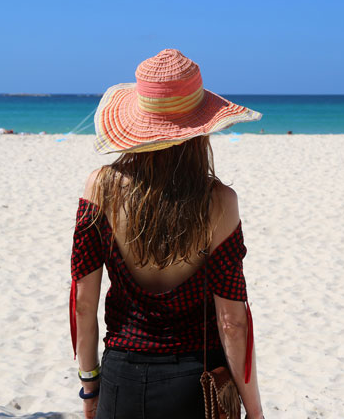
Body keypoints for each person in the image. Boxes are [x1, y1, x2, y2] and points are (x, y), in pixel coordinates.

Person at [70, 49, 264, 419]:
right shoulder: (218, 202)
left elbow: (82, 304)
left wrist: (89, 385)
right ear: (200, 130)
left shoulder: (100, 187)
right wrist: (255, 413)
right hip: (193, 383)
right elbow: (232, 323)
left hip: (120, 378)